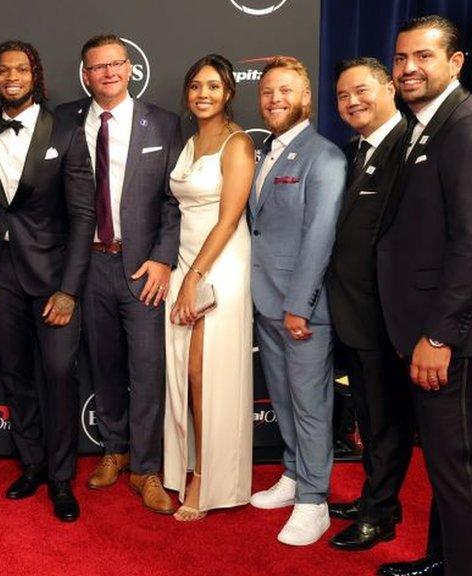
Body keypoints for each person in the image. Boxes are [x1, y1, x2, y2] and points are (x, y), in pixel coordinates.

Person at [377, 15, 472, 576]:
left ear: (455, 63)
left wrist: (440, 335)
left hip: (453, 339)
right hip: (423, 328)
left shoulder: (469, 125)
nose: (408, 68)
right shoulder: (425, 123)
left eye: (423, 56)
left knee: (458, 471)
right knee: (445, 468)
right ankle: (441, 561)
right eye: (400, 58)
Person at [52, 34, 182, 515]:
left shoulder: (164, 123)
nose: (108, 73)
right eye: (97, 67)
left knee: (146, 370)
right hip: (88, 266)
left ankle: (146, 469)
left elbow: (174, 200)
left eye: (116, 64)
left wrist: (165, 258)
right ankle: (115, 450)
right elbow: (13, 129)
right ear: (85, 75)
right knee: (103, 366)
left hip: (143, 266)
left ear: (130, 68)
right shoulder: (64, 120)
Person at [0, 40, 95, 522]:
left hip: (53, 281)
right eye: (2, 70)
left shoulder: (65, 132)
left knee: (60, 377)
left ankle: (62, 478)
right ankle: (32, 464)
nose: (11, 77)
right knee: (16, 376)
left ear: (35, 74)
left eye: (20, 69)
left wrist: (68, 290)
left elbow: (84, 217)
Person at [247, 56, 346, 546]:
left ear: (306, 98)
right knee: (285, 400)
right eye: (267, 92)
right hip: (267, 301)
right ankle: (292, 473)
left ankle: (314, 499)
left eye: (285, 91)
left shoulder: (324, 156)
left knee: (310, 406)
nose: (275, 100)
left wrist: (299, 306)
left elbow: (319, 238)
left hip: (302, 310)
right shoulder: (266, 149)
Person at [325, 57, 412, 552]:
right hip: (353, 315)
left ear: (388, 88)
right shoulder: (353, 150)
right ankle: (375, 500)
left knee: (387, 422)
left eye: (361, 91)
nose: (352, 102)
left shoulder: (411, 147)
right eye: (342, 96)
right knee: (373, 418)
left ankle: (379, 515)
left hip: (387, 319)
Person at [163, 54, 255, 521]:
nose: (203, 94)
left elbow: (229, 217)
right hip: (186, 262)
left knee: (204, 373)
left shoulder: (237, 145)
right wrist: (183, 274)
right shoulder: (190, 141)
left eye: (214, 87)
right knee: (185, 375)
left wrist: (194, 278)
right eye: (196, 86)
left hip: (220, 265)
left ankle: (211, 479)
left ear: (229, 94)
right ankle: (191, 465)